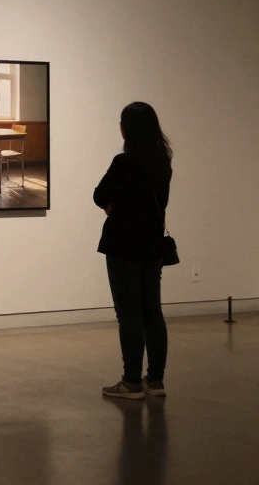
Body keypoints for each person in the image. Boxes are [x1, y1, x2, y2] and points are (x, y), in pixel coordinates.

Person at [93, 102, 173, 400]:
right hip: (152, 246)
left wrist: (113, 206)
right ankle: (155, 381)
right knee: (153, 312)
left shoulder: (123, 162)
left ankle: (131, 383)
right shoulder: (162, 162)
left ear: (126, 129)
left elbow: (100, 194)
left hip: (123, 246)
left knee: (129, 315)